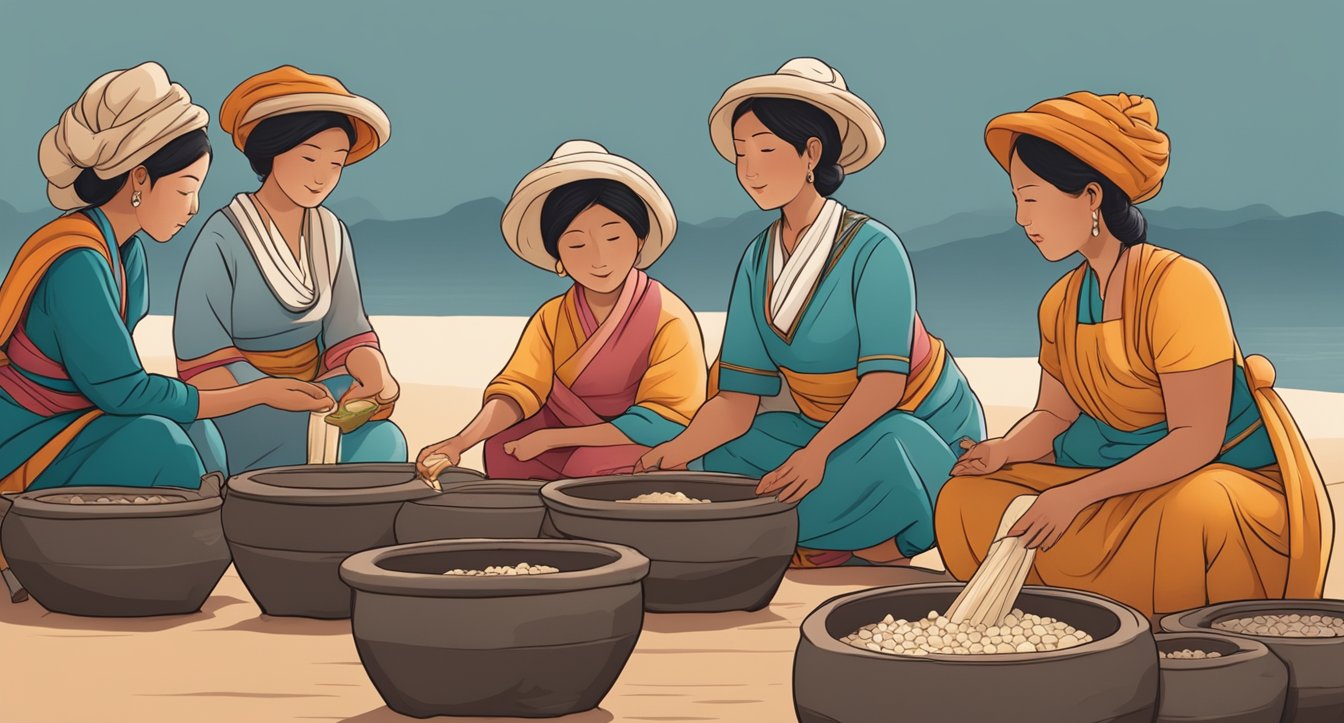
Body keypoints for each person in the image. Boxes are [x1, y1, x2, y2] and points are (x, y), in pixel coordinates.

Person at [935, 91, 1332, 616]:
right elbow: (1054, 415)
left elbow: (1196, 439)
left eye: (1030, 198)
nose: (1018, 217)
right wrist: (1004, 451)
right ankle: (1087, 597)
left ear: (1091, 196)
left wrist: (1075, 497)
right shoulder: (1060, 300)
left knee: (1202, 510)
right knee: (965, 500)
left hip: (1203, 479)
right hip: (1112, 481)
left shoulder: (1178, 284)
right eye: (1016, 199)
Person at [636, 59, 986, 568]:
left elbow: (884, 386)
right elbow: (738, 400)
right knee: (717, 459)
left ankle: (876, 540)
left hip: (911, 422)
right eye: (740, 155)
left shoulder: (874, 248)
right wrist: (677, 450)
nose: (749, 170)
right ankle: (837, 534)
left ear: (811, 154)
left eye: (766, 150)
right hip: (822, 426)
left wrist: (816, 454)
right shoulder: (759, 258)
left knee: (895, 453)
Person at [0, 63, 331, 598]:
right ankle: (72, 558)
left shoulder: (125, 251)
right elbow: (123, 388)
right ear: (138, 179)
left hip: (77, 417)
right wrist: (260, 392)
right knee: (166, 447)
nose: (193, 207)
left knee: (206, 443)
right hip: (25, 436)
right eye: (184, 189)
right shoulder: (76, 262)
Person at [416, 141, 707, 482]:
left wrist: (554, 438)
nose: (599, 258)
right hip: (568, 438)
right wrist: (459, 442)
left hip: (636, 443)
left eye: (613, 238)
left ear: (639, 239)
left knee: (588, 467)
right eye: (577, 244)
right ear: (558, 259)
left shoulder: (668, 315)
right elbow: (520, 389)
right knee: (502, 446)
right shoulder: (553, 316)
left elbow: (666, 418)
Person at [173, 66, 405, 474]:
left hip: (312, 393)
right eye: (309, 157)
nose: (322, 177)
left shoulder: (330, 232)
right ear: (272, 154)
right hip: (239, 399)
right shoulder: (223, 236)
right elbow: (200, 361)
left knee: (386, 441)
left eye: (336, 163)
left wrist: (374, 370)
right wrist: (268, 391)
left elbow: (348, 331)